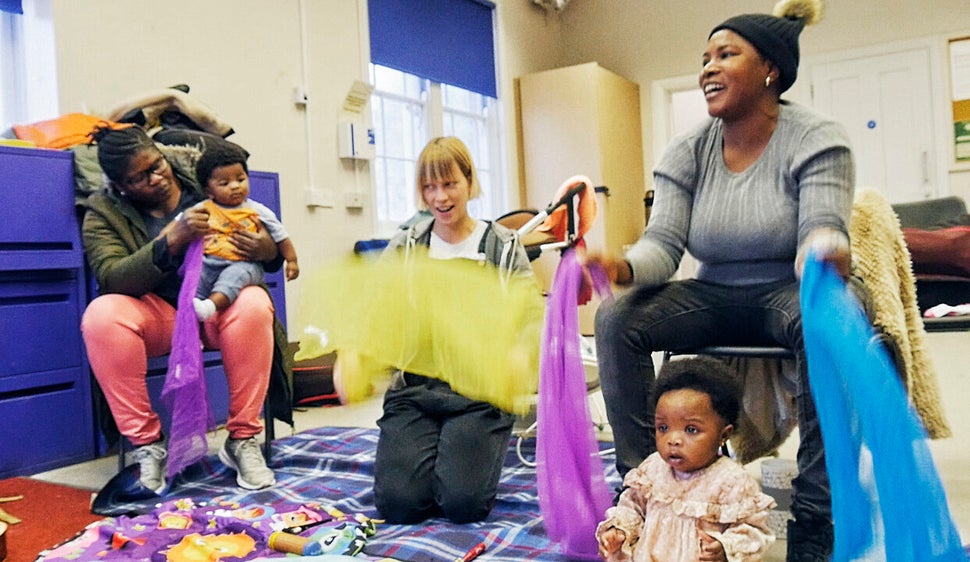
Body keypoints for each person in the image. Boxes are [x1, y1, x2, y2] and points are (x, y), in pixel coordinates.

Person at [585, 1, 850, 560]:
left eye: (725, 54)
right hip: (712, 290)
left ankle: (816, 513)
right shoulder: (689, 149)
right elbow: (664, 246)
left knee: (822, 319)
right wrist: (624, 267)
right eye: (704, 57)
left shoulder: (817, 137)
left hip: (786, 288)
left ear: (770, 69)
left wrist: (824, 252)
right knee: (616, 318)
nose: (707, 67)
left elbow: (821, 229)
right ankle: (643, 490)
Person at [81, 125, 285, 492]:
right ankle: (147, 445)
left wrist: (265, 248)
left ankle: (242, 438)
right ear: (122, 186)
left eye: (156, 165)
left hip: (215, 309)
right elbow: (112, 278)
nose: (156, 178)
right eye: (140, 177)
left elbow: (271, 254)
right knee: (102, 315)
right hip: (162, 315)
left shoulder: (203, 182)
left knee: (254, 299)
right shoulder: (103, 213)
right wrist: (169, 241)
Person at [372, 136, 533, 524]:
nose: (440, 197)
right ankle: (432, 455)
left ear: (469, 181)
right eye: (430, 187)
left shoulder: (503, 246)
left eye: (449, 184)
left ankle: (460, 454)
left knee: (463, 505)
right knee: (398, 504)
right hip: (415, 389)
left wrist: (518, 353)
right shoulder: (408, 246)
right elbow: (377, 305)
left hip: (479, 392)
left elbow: (530, 314)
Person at [596, 357, 776, 562]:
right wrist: (618, 530)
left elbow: (755, 530)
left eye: (691, 429)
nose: (673, 440)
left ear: (723, 435)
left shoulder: (732, 481)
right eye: (663, 428)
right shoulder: (652, 469)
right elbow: (632, 507)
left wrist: (725, 548)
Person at [192, 141, 299, 321]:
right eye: (225, 183)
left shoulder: (257, 210)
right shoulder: (204, 208)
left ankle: (211, 306)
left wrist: (292, 260)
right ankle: (194, 325)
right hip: (210, 262)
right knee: (194, 279)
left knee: (235, 276)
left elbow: (281, 236)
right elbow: (179, 225)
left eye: (240, 179)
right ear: (208, 190)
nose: (235, 186)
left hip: (245, 264)